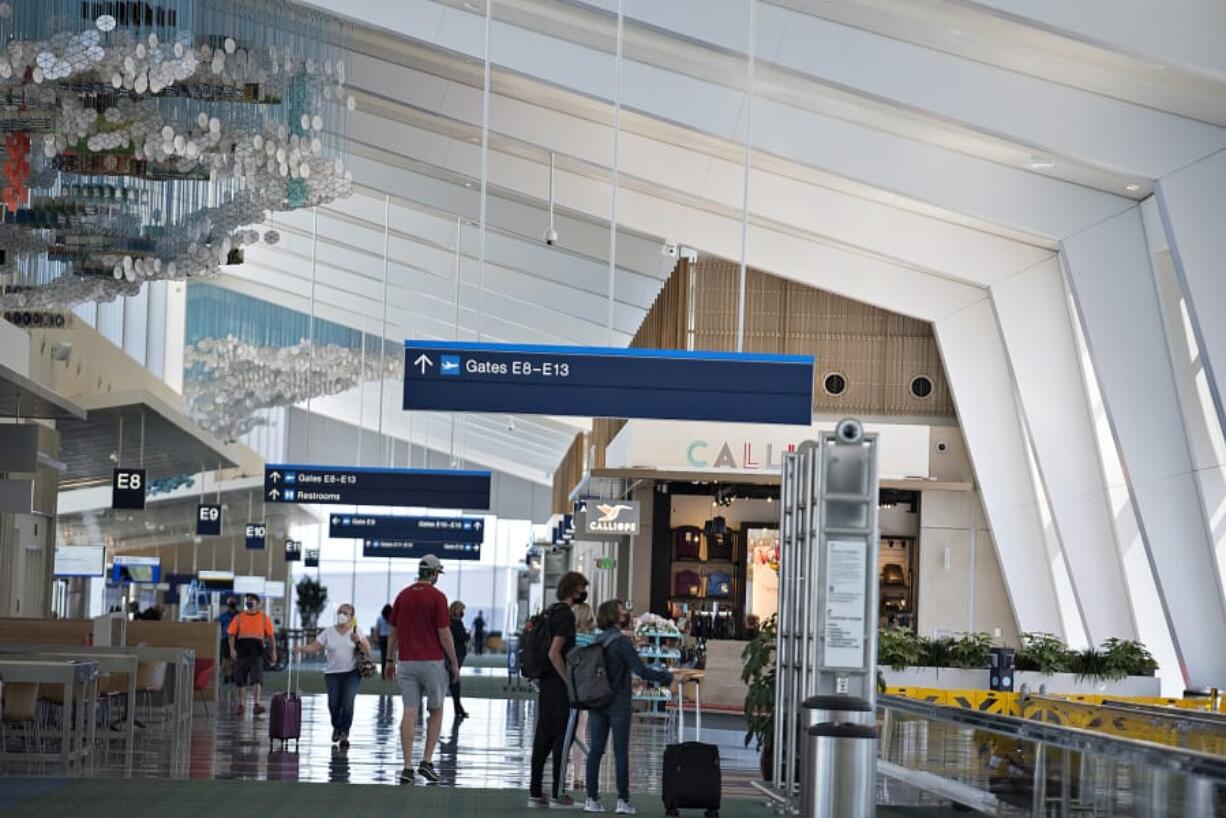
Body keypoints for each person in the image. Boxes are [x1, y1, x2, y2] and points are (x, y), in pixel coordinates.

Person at [584, 599, 674, 815]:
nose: (626, 614)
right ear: (614, 616)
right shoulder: (621, 642)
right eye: (622, 611)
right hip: (618, 703)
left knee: (595, 750)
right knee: (620, 751)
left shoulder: (598, 639)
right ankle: (622, 800)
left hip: (597, 701)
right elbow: (641, 671)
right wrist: (667, 677)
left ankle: (591, 798)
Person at [384, 554, 461, 785]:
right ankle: (426, 762)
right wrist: (455, 663)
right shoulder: (438, 597)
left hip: (405, 663)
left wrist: (389, 661)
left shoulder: (403, 596)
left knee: (409, 711)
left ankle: (407, 767)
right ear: (435, 574)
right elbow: (445, 635)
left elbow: (393, 631)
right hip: (432, 662)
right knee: (436, 710)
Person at [528, 571, 589, 809]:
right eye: (583, 589)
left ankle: (535, 792)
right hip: (558, 686)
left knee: (543, 736)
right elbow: (555, 653)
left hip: (545, 684)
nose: (584, 593)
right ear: (574, 590)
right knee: (562, 739)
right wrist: (568, 682)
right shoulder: (565, 616)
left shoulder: (549, 611)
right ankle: (558, 793)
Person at [294, 602, 371, 747]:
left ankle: (344, 733)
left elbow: (368, 650)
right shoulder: (328, 632)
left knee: (347, 703)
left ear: (351, 617)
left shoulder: (356, 631)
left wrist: (358, 640)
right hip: (332, 673)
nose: (342, 615)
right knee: (333, 703)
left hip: (352, 673)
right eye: (340, 612)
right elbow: (315, 646)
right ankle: (336, 726)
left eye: (345, 613)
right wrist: (301, 648)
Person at [228, 593, 277, 716]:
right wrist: (232, 649)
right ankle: (241, 705)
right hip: (242, 652)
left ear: (258, 604)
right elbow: (231, 635)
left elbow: (271, 637)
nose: (248, 602)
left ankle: (256, 705)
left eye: (251, 600)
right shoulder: (239, 617)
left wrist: (273, 651)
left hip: (257, 653)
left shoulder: (264, 618)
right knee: (241, 680)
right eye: (247, 600)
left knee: (257, 679)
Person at [570, 602, 597, 794]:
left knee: (563, 732)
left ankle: (561, 771)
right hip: (585, 691)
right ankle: (578, 776)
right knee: (580, 730)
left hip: (566, 688)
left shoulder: (567, 639)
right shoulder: (593, 640)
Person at [448, 601, 471, 720]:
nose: (462, 613)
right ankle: (458, 708)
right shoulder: (455, 622)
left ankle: (458, 708)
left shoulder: (451, 622)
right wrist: (468, 635)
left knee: (453, 680)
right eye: (461, 610)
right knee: (454, 680)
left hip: (457, 653)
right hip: (457, 654)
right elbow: (461, 637)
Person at [217, 596, 239, 684]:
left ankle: (234, 674)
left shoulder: (240, 615)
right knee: (226, 658)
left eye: (233, 602)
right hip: (226, 639)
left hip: (237, 638)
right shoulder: (224, 616)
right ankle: (227, 675)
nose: (232, 604)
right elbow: (217, 623)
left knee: (236, 657)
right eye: (230, 602)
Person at [376, 604, 394, 678]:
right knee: (391, 657)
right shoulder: (393, 618)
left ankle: (384, 674)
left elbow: (378, 629)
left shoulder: (380, 618)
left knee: (383, 657)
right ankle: (390, 674)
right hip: (390, 638)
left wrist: (377, 637)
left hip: (383, 638)